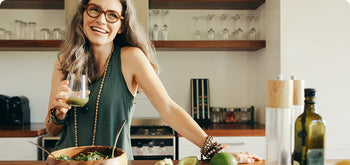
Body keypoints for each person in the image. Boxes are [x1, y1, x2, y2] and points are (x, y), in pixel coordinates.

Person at [45, 0, 261, 162]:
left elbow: (168, 108)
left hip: (116, 163)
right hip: (63, 161)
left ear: (120, 26)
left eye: (112, 15)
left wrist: (213, 150)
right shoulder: (64, 61)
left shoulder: (131, 58)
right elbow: (52, 130)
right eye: (94, 9)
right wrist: (58, 113)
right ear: (83, 13)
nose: (101, 20)